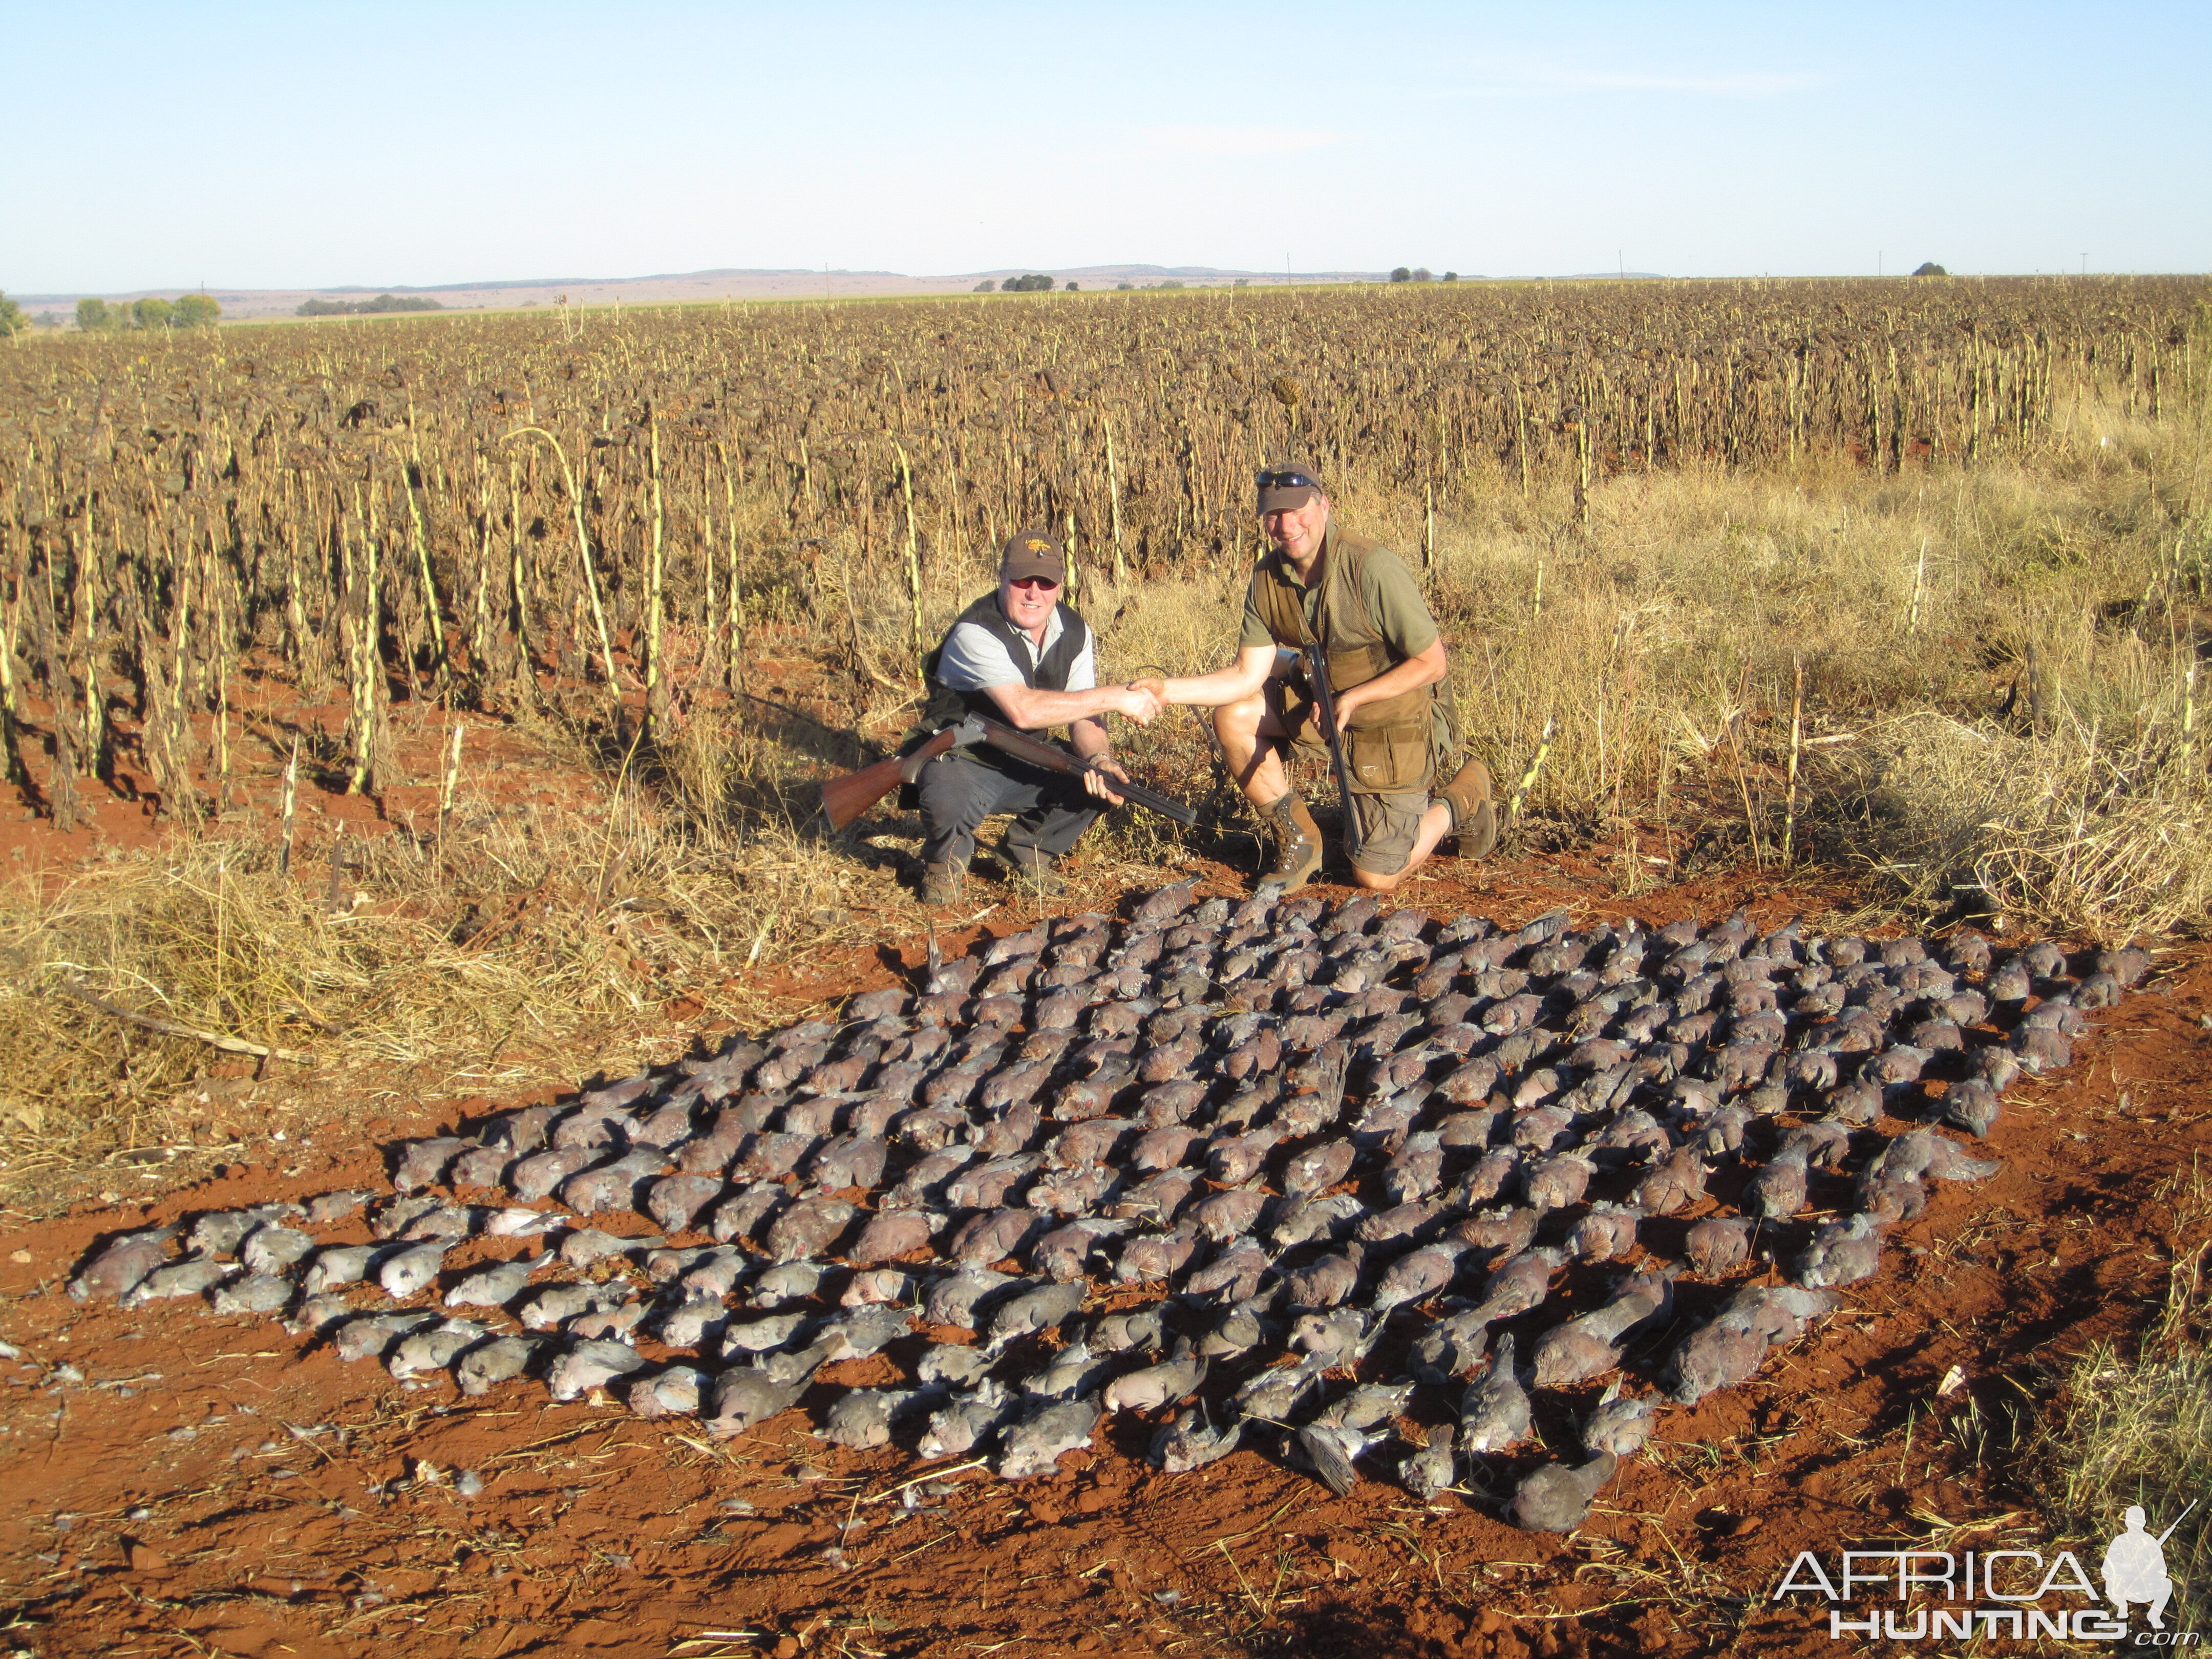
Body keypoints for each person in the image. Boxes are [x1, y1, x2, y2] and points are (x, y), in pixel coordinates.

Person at [1138, 464, 1495, 894]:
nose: (1286, 525)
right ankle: (1302, 840)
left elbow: (1432, 663)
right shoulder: (1266, 578)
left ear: (1324, 506)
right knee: (1235, 714)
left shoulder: (1372, 568)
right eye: (1273, 515)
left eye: (1297, 510)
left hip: (1397, 722)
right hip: (1325, 705)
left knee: (1375, 877)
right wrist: (1165, 691)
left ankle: (1460, 800)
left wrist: (1355, 699)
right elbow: (1244, 675)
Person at [909, 528, 1161, 905]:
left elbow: (1085, 716)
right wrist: (1116, 697)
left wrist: (1099, 758)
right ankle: (944, 864)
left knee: (1100, 780)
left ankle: (1026, 853)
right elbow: (1024, 710)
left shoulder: (1074, 631)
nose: (1034, 593)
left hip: (1025, 755)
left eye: (1046, 582)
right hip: (964, 758)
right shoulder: (975, 631)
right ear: (1002, 578)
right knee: (949, 794)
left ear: (1061, 586)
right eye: (1023, 580)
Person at [2102, 1505, 2176, 1630]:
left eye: (2138, 1520)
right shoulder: (2120, 1541)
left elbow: (2163, 1570)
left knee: (2167, 1584)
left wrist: (2148, 1573)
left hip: (2144, 1588)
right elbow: (2107, 1570)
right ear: (2126, 1522)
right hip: (2121, 1589)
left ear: (2144, 1522)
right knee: (2111, 1584)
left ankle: (2154, 1615)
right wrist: (2123, 1574)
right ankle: (2122, 1607)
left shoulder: (2150, 1541)